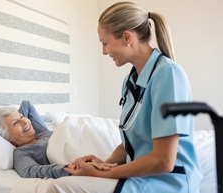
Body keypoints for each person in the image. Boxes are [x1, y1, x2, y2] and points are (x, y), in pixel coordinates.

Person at [47, 2, 203, 193]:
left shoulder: (168, 74)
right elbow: (133, 142)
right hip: (142, 177)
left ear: (127, 37)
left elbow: (164, 161)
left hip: (168, 181)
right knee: (65, 183)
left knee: (59, 187)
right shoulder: (130, 81)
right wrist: (103, 165)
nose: (104, 51)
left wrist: (101, 174)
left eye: (105, 43)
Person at [0, 100, 72, 179]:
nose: (24, 122)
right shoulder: (22, 152)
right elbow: (30, 170)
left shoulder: (41, 131)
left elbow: (26, 104)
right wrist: (69, 169)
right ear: (9, 140)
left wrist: (19, 121)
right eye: (15, 123)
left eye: (21, 117)